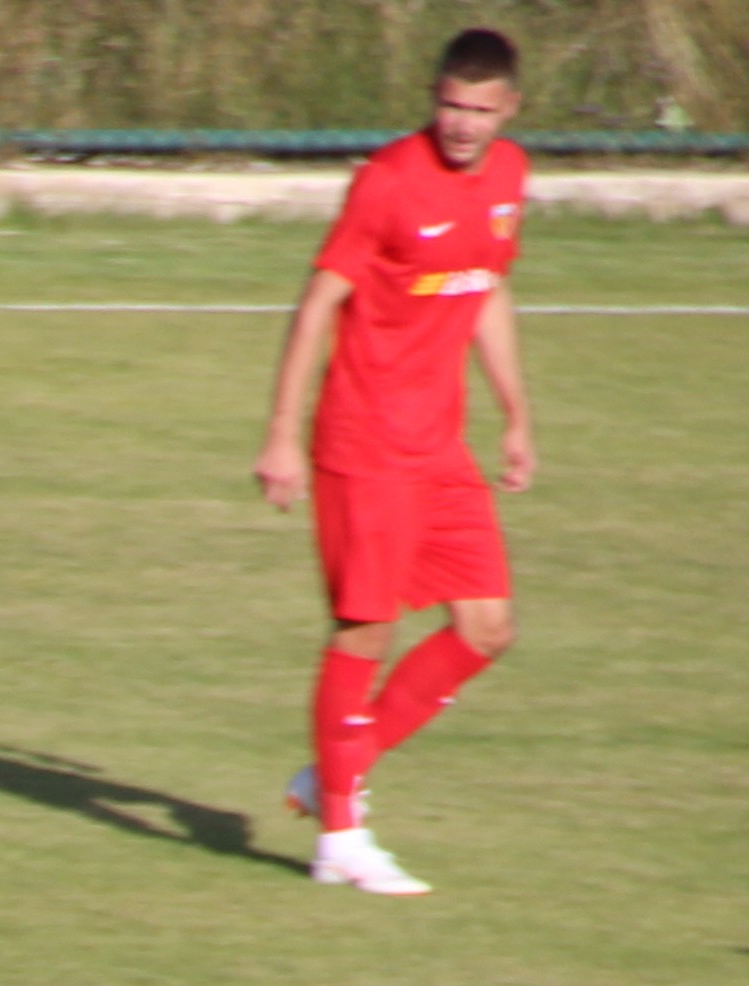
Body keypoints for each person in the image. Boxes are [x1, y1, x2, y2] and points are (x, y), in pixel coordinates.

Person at [255, 28, 534, 898]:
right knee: (366, 631)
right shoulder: (387, 183)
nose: (461, 124)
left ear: (509, 111)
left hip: (439, 447)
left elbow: (485, 288)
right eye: (450, 104)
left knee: (487, 628)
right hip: (364, 444)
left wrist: (517, 416)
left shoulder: (509, 180)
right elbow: (316, 306)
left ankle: (333, 773)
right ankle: (340, 835)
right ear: (434, 96)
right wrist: (279, 435)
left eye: (480, 111)